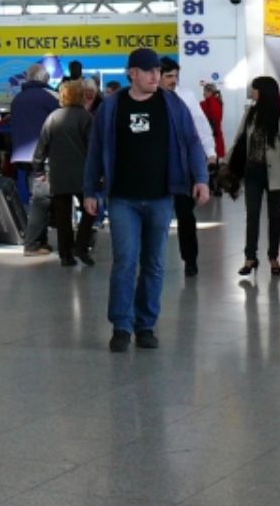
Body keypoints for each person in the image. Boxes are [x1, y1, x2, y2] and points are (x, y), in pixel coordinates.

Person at [84, 48, 211, 353]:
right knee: (125, 261)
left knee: (154, 264)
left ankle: (146, 325)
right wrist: (91, 189)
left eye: (158, 70)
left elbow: (192, 141)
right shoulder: (112, 106)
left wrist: (202, 178)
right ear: (132, 73)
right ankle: (121, 326)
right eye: (149, 70)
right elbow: (96, 150)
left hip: (160, 196)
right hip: (123, 199)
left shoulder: (172, 104)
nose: (156, 76)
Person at [233, 76, 280, 279]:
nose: (252, 92)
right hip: (252, 171)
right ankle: (250, 258)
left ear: (265, 92)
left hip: (275, 172)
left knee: (274, 216)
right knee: (252, 215)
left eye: (255, 89)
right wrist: (226, 162)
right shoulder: (250, 113)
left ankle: (273, 257)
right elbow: (240, 139)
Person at [158, 57, 217, 277]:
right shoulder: (149, 99)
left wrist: (210, 153)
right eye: (169, 76)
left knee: (185, 214)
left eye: (175, 76)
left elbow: (199, 126)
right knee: (157, 217)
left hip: (182, 168)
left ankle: (190, 259)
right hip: (157, 169)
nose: (173, 81)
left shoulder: (186, 97)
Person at [34, 79, 97, 267]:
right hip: (82, 173)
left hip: (58, 172)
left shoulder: (53, 117)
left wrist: (38, 168)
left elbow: (42, 145)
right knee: (91, 210)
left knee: (62, 215)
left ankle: (65, 254)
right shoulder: (86, 117)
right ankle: (81, 244)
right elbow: (93, 147)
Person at [9, 65, 60, 207]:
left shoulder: (17, 98)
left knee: (24, 185)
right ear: (45, 78)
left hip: (20, 151)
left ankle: (26, 216)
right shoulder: (50, 96)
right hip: (44, 151)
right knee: (45, 188)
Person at [201, 82, 226, 161]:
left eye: (204, 91)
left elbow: (211, 118)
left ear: (210, 92)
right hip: (216, 133)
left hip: (210, 134)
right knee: (215, 159)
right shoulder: (218, 102)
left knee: (210, 158)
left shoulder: (208, 103)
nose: (203, 94)